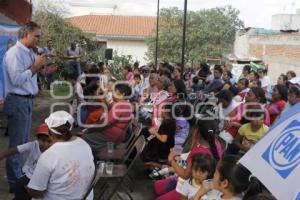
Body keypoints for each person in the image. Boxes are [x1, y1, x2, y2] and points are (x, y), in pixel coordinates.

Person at [2, 21, 48, 192]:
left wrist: (43, 69)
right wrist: (35, 66)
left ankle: (18, 179)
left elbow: (29, 76)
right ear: (25, 34)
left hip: (26, 100)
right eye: (36, 36)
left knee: (22, 143)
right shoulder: (14, 53)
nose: (38, 39)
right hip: (18, 100)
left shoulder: (28, 52)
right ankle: (16, 185)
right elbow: (17, 80)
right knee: (18, 145)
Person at [27, 111, 95, 200]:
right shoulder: (83, 143)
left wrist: (29, 188)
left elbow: (35, 192)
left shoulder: (49, 155)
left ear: (50, 133)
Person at [154, 119, 223, 200]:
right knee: (157, 187)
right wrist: (180, 159)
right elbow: (188, 165)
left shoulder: (198, 152)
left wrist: (172, 160)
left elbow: (185, 175)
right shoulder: (217, 143)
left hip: (192, 185)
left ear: (197, 132)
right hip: (197, 181)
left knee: (157, 192)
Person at [0, 123, 51, 200]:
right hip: (28, 176)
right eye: (43, 140)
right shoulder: (33, 145)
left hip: (41, 179)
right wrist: (2, 155)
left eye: (49, 141)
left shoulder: (55, 151)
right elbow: (15, 149)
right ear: (37, 139)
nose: (46, 144)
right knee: (20, 187)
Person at [82, 83, 133, 154]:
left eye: (115, 91)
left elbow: (106, 122)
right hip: (115, 135)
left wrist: (89, 129)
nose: (112, 93)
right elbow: (110, 108)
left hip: (110, 136)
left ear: (123, 94)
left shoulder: (120, 105)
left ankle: (96, 157)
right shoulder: (126, 104)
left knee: (84, 138)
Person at [194, 155, 263, 200]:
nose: (213, 175)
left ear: (224, 183)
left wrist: (197, 195)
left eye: (215, 173)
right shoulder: (234, 193)